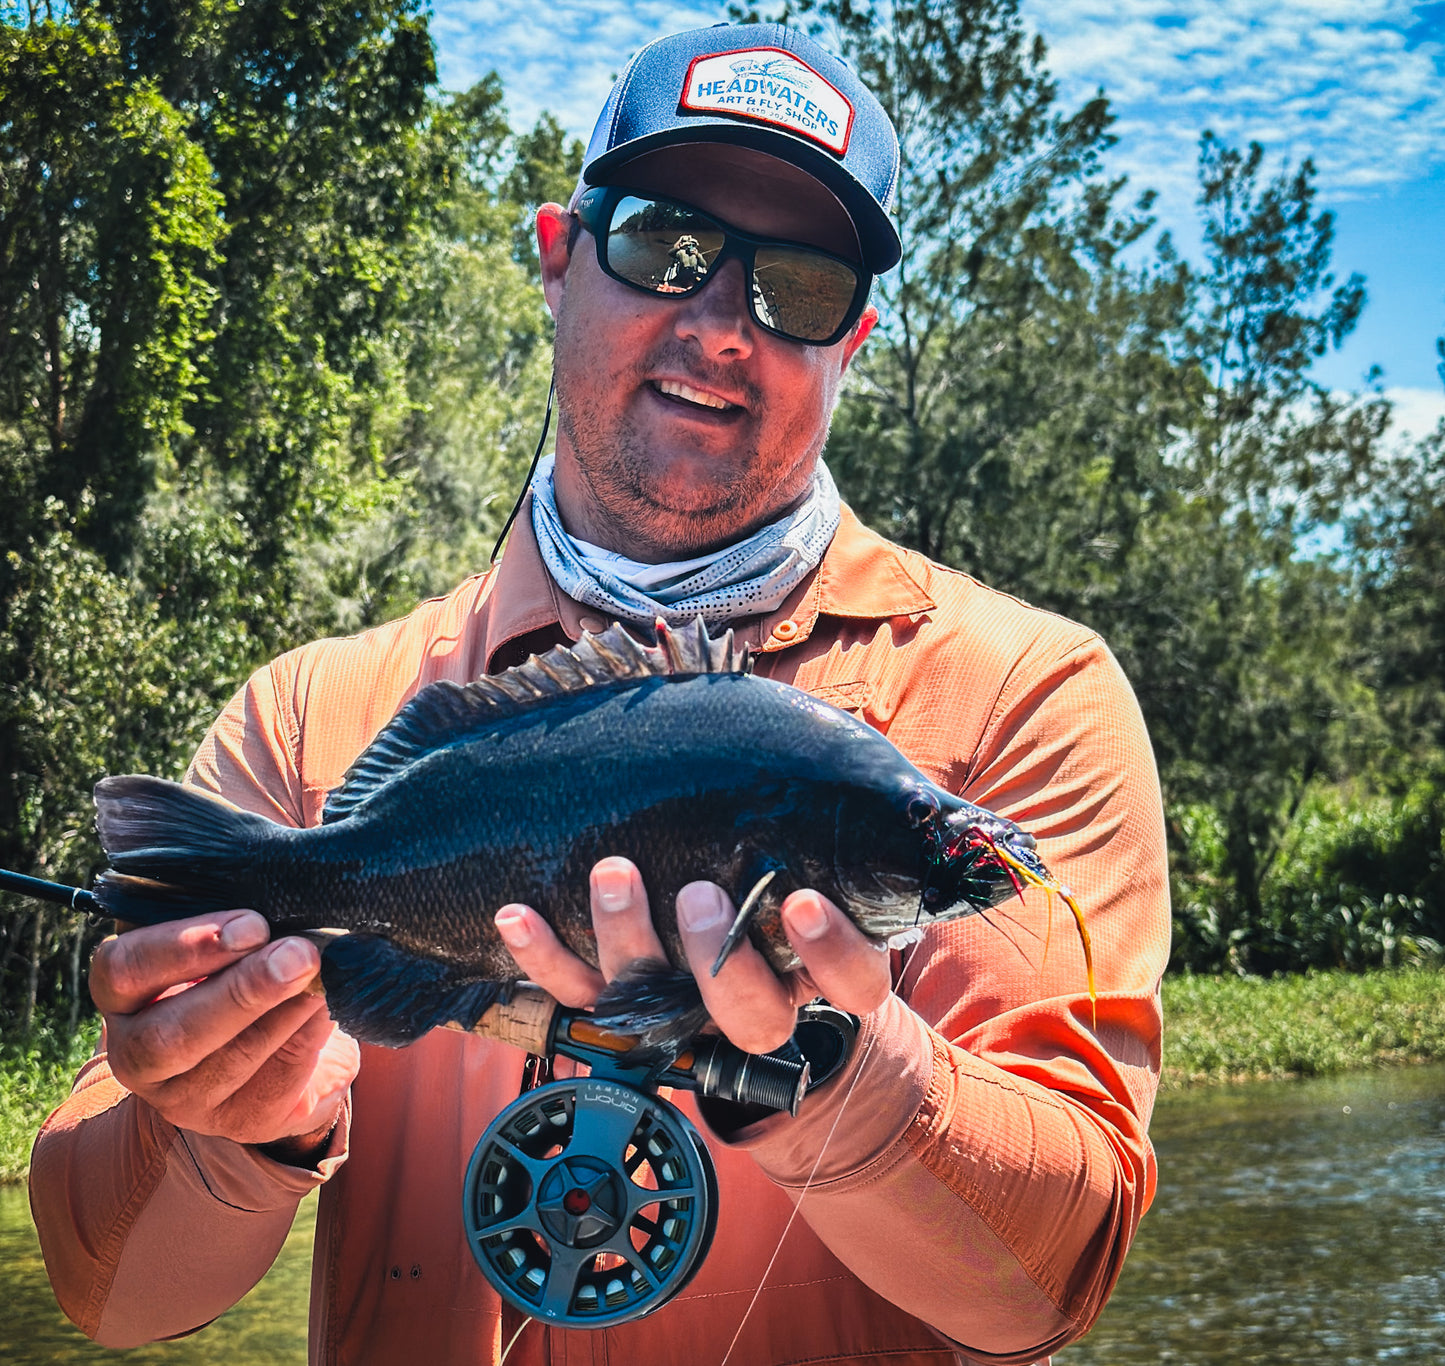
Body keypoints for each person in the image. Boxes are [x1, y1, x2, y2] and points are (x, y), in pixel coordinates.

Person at [30, 22, 1169, 1366]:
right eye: (664, 245)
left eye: (795, 285)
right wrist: (223, 1120)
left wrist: (827, 1073)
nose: (719, 322)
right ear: (559, 254)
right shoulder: (306, 723)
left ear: (850, 341)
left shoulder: (1027, 699)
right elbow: (116, 1297)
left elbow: (1046, 1285)